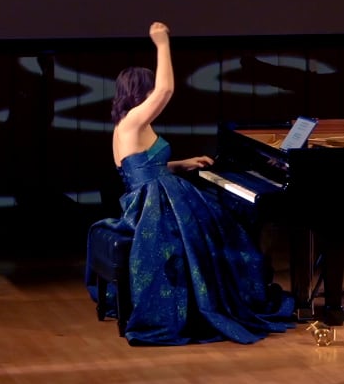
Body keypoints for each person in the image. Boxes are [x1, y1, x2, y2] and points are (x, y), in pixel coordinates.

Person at [86, 21, 297, 345]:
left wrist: (181, 164)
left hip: (151, 193)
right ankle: (243, 292)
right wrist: (162, 43)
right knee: (232, 221)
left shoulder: (124, 126)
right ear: (139, 93)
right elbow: (166, 90)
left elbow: (139, 168)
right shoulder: (134, 120)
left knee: (225, 217)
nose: (152, 97)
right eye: (148, 91)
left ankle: (244, 283)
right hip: (154, 206)